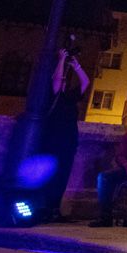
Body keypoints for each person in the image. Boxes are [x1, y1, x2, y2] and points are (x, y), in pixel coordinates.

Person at [39, 46, 90, 222]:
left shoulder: (69, 97)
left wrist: (77, 66)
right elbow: (56, 79)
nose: (63, 81)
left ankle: (55, 208)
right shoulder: (53, 96)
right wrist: (61, 60)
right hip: (53, 141)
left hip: (68, 141)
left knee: (62, 176)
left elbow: (85, 82)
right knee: (50, 176)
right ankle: (45, 208)